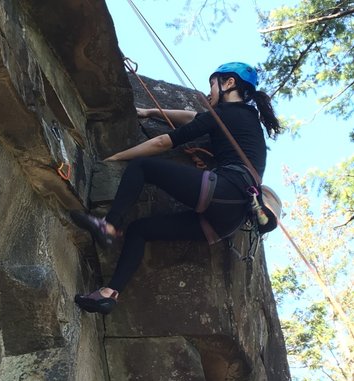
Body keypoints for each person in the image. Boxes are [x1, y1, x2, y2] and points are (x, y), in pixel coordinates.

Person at [70, 62, 282, 315]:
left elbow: (162, 142)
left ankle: (109, 225)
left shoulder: (226, 115)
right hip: (226, 223)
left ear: (229, 83)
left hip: (224, 191)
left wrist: (114, 159)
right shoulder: (244, 119)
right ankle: (109, 294)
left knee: (142, 167)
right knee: (140, 230)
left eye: (212, 84)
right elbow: (193, 118)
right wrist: (151, 112)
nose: (209, 93)